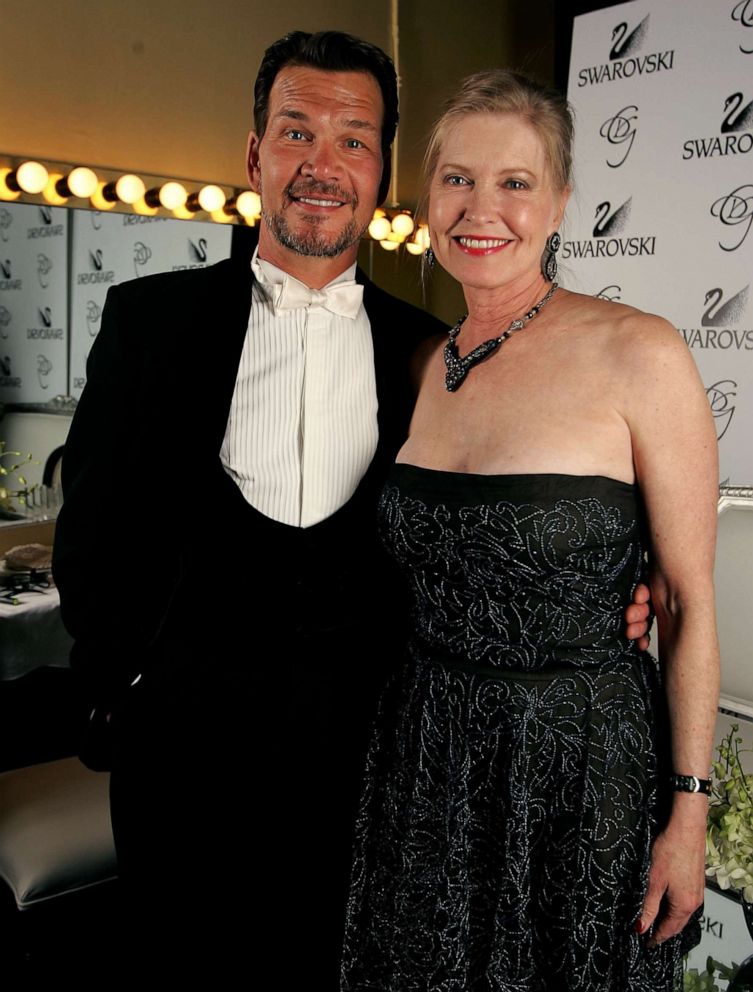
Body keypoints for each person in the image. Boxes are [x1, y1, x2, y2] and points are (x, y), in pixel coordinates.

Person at [52, 35, 650, 982]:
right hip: (180, 765)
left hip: (369, 768)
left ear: (381, 176)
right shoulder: (147, 321)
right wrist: (126, 682)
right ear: (253, 155)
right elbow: (88, 537)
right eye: (296, 133)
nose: (321, 166)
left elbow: (478, 527)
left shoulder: (432, 354)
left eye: (354, 141)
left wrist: (610, 588)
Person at [341, 70, 719, 992]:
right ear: (427, 199)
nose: (482, 208)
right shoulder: (420, 361)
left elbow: (681, 599)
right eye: (457, 180)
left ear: (558, 203)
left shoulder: (641, 351)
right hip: (425, 752)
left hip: (581, 765)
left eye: (515, 182)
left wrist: (689, 811)